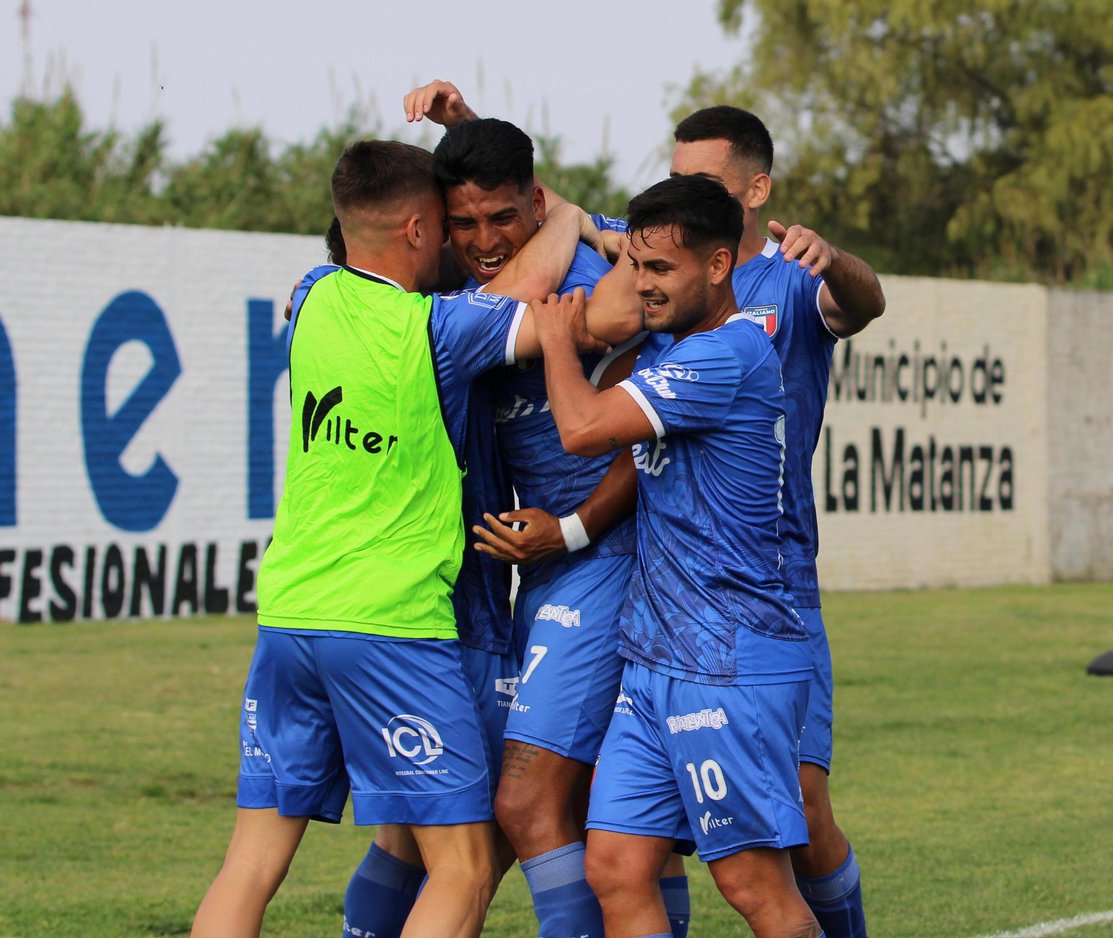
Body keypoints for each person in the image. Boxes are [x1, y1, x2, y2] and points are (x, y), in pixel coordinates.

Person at [191, 139, 605, 938]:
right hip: (392, 627)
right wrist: (574, 217)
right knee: (466, 867)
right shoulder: (435, 332)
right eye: (450, 226)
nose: (466, 241)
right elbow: (534, 289)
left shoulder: (311, 296)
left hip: (286, 615)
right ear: (420, 230)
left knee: (250, 862)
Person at [340, 112, 650, 938]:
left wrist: (576, 529)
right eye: (463, 221)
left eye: (502, 219)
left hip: (604, 561)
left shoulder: (594, 279)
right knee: (461, 825)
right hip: (504, 582)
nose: (481, 237)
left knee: (520, 804)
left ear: (536, 207)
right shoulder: (445, 301)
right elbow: (494, 203)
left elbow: (649, 426)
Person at [531, 173, 824, 938]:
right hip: (655, 662)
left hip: (727, 665)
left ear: (720, 265)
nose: (643, 287)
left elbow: (582, 427)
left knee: (756, 889)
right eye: (635, 266)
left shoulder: (726, 356)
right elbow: (575, 221)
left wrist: (557, 338)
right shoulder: (680, 348)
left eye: (661, 270)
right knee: (617, 868)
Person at [666, 105, 884, 938]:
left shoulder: (793, 282)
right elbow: (559, 216)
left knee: (801, 802)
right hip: (667, 588)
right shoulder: (658, 268)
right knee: (636, 829)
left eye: (707, 183)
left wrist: (836, 260)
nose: (687, 197)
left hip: (775, 588)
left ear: (757, 189)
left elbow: (863, 302)